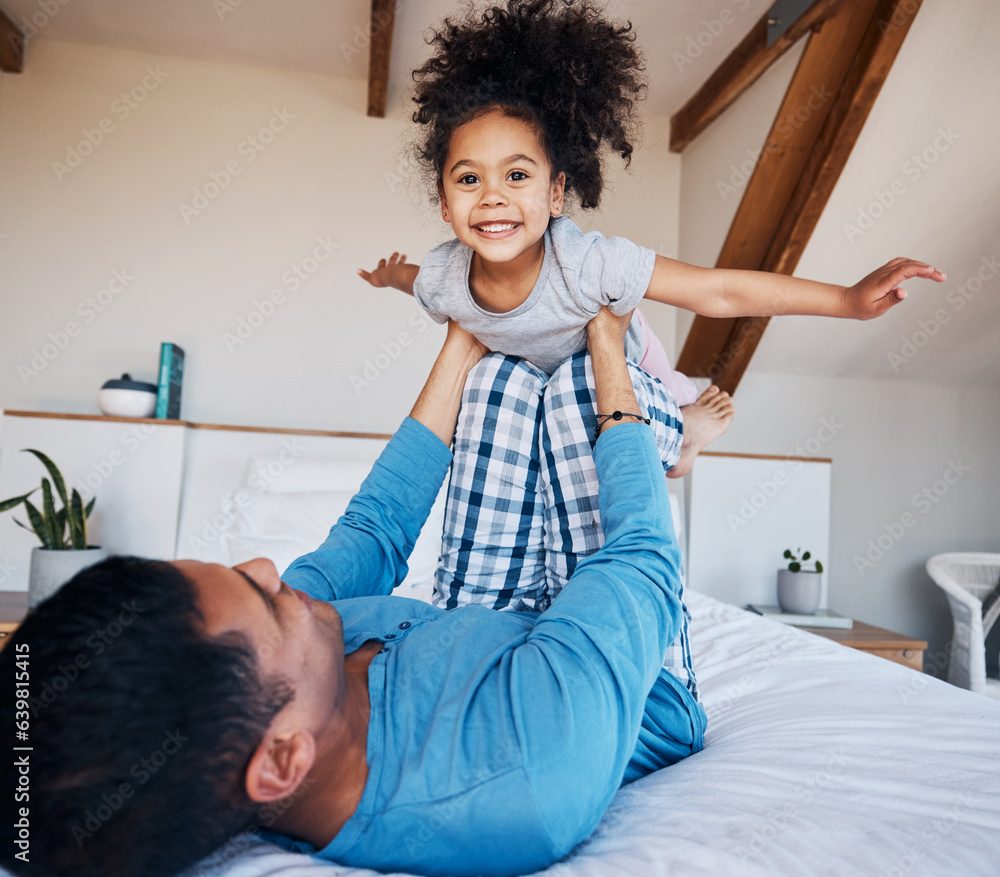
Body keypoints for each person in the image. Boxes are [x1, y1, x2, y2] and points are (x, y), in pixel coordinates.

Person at [3, 313, 702, 877]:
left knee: (498, 382)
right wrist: (608, 339)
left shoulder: (284, 669)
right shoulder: (527, 772)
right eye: (267, 599)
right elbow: (640, 554)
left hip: (498, 624)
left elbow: (377, 526)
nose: (269, 571)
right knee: (582, 381)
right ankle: (681, 429)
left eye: (243, 573)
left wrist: (462, 332)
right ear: (282, 759)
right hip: (642, 681)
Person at [358, 0, 946, 482]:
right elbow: (416, 280)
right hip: (550, 394)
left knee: (643, 401)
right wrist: (388, 276)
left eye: (517, 175)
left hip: (636, 365)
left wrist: (845, 300)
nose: (491, 196)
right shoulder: (445, 277)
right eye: (468, 179)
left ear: (558, 194)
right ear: (443, 202)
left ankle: (685, 428)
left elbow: (714, 292)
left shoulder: (588, 264)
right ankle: (679, 450)